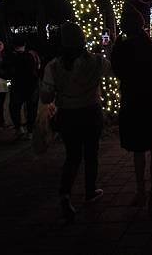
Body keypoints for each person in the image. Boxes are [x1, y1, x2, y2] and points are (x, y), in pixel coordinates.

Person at [40, 22, 110, 222]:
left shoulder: (53, 66)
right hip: (91, 111)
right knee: (91, 152)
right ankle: (90, 191)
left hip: (68, 115)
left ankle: (65, 193)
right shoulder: (96, 61)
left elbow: (46, 97)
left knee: (72, 155)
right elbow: (114, 71)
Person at [111, 6, 152, 215]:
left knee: (138, 152)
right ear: (142, 25)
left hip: (133, 104)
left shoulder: (120, 49)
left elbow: (116, 71)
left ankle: (140, 192)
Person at [9, 35, 39, 140]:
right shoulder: (30, 56)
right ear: (24, 45)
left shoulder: (12, 57)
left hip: (18, 85)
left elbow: (6, 69)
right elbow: (34, 70)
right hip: (31, 85)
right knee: (31, 109)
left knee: (14, 107)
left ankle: (19, 128)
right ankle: (30, 131)